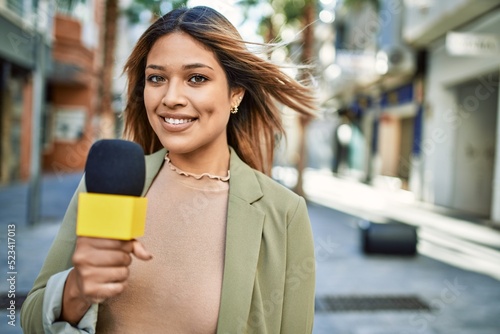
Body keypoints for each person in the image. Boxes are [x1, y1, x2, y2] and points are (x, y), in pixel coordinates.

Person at [21, 5, 316, 333]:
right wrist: (76, 289)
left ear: (235, 92)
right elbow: (32, 319)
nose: (171, 97)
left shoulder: (283, 213)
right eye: (157, 78)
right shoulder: (108, 184)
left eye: (196, 78)